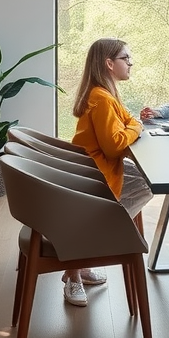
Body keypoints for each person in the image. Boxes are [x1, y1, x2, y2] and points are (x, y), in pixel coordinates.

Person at [64, 38, 153, 307]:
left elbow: (128, 119)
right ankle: (74, 270)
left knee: (146, 180)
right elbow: (115, 145)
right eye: (126, 58)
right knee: (148, 182)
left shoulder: (106, 93)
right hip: (92, 176)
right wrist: (136, 129)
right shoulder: (101, 98)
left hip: (92, 170)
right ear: (109, 63)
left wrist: (133, 125)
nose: (131, 63)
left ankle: (87, 253)